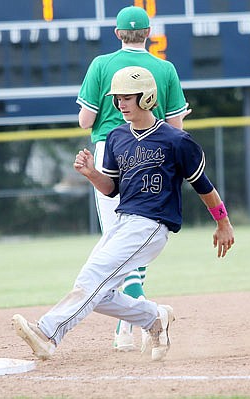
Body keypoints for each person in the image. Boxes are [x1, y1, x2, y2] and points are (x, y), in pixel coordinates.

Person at [12, 66, 234, 362]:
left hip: (153, 225)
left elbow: (203, 185)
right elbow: (111, 188)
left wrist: (223, 223)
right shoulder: (117, 137)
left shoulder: (177, 140)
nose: (120, 104)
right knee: (98, 290)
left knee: (92, 278)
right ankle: (155, 319)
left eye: (127, 97)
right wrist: (91, 174)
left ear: (147, 98)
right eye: (117, 99)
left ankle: (49, 334)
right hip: (123, 221)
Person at [76, 5, 190, 351]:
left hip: (112, 152)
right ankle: (128, 326)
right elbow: (176, 128)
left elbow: (85, 120)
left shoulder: (101, 65)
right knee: (134, 239)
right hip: (155, 154)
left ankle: (140, 318)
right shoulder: (165, 68)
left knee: (116, 240)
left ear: (117, 34)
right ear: (149, 33)